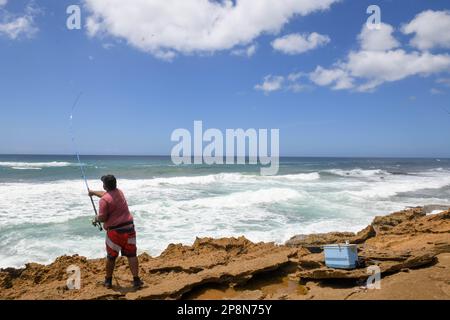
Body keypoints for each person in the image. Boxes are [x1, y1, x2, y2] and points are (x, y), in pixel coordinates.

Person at [88, 175, 143, 289]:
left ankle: (108, 281)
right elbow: (106, 195)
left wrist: (95, 219)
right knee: (132, 255)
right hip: (129, 229)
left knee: (111, 257)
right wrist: (93, 192)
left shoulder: (104, 200)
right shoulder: (119, 192)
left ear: (104, 185)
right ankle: (136, 280)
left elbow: (103, 217)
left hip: (115, 233)